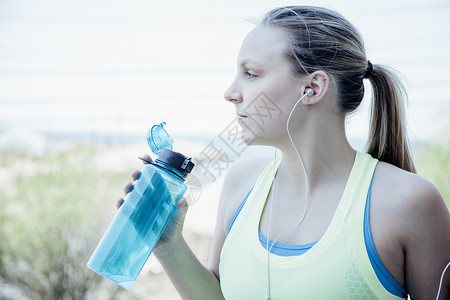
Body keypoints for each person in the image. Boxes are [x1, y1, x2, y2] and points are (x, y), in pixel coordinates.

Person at [117, 6, 450, 299]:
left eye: (251, 74)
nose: (231, 93)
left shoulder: (409, 202)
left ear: (313, 88)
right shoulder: (241, 183)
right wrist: (168, 244)